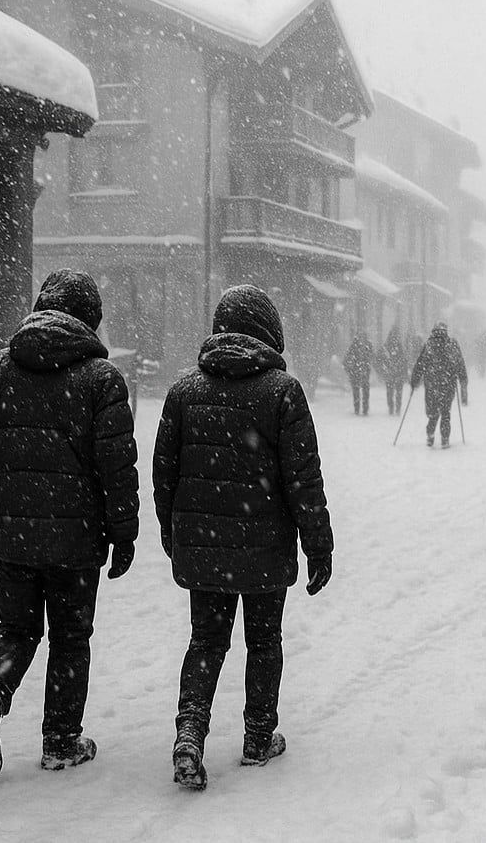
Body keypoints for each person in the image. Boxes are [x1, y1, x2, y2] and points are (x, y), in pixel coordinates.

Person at [0, 270, 140, 778]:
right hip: (76, 541)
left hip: (9, 534)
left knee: (16, 628)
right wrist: (123, 534)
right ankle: (61, 740)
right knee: (70, 636)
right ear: (90, 320)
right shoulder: (100, 380)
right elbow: (116, 469)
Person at [154, 285, 334, 791]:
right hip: (265, 545)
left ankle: (189, 734)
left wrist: (173, 531)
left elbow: (163, 472)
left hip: (205, 545)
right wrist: (317, 543)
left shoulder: (185, 391)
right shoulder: (282, 391)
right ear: (267, 331)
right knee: (264, 641)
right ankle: (258, 737)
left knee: (206, 641)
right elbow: (303, 477)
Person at [410, 322, 469, 448]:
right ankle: (445, 438)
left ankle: (430, 434)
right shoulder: (452, 345)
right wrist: (462, 378)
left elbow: (420, 364)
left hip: (432, 384)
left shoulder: (429, 345)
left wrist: (415, 380)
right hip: (448, 384)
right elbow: (460, 362)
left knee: (433, 412)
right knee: (446, 412)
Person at [379, 326, 407, 415]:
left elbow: (404, 361)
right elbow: (404, 360)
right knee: (394, 393)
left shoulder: (388, 347)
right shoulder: (391, 347)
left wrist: (382, 370)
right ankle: (394, 408)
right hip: (394, 373)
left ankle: (394, 408)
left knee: (392, 392)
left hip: (394, 374)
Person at [344, 333, 374, 416]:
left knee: (359, 392)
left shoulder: (354, 347)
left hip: (357, 373)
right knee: (362, 391)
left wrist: (350, 370)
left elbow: (346, 360)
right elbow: (371, 357)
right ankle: (363, 409)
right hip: (360, 373)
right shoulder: (365, 346)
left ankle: (360, 409)